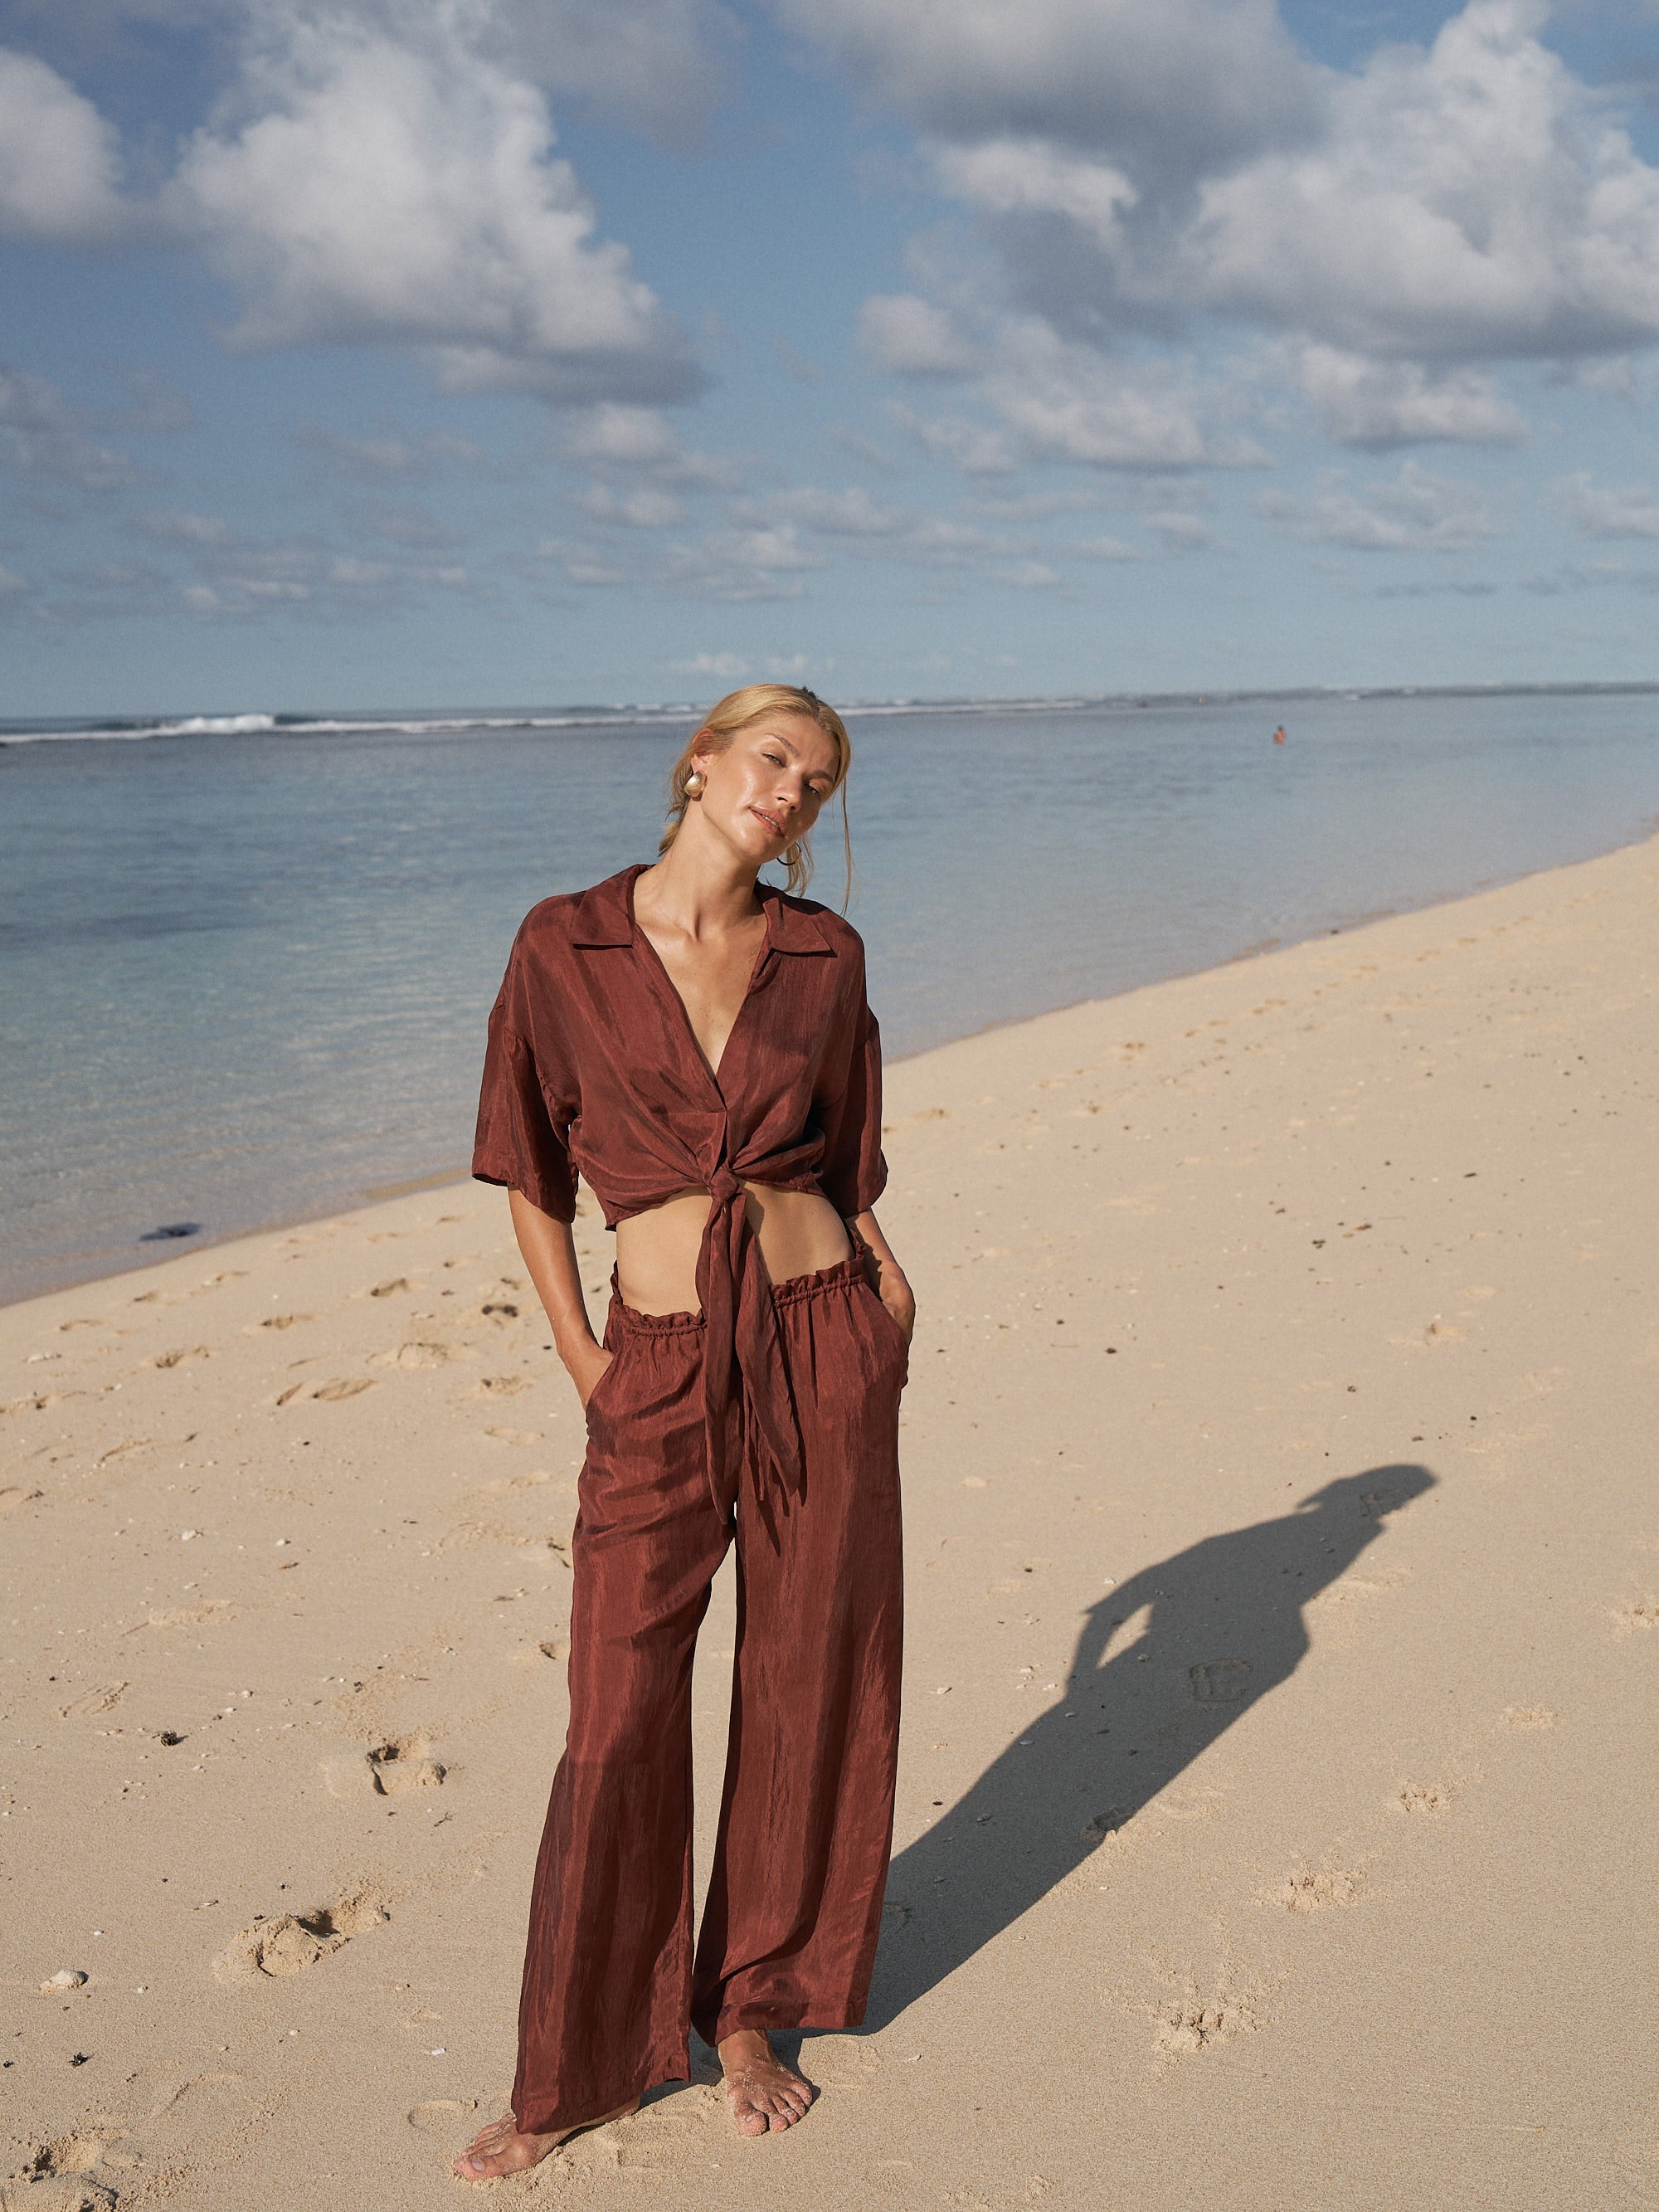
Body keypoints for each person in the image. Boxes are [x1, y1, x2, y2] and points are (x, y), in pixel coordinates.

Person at [455, 685, 915, 2180]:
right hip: (649, 1366)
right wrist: (585, 1355)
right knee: (619, 1705)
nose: (793, 791)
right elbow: (527, 1165)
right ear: (702, 759)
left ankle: (753, 2009)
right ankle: (580, 2060)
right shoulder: (563, 944)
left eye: (821, 781)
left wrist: (877, 1298)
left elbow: (850, 1151)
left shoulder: (825, 955)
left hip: (819, 1340)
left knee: (807, 1680)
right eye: (775, 757)